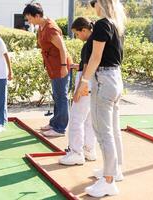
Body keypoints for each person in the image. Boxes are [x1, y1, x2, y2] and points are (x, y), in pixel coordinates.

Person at [73, 0, 126, 197]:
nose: (92, 6)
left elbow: (96, 57)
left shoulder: (103, 24)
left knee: (103, 133)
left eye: (93, 2)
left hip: (103, 80)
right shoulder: (116, 23)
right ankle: (114, 171)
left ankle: (108, 180)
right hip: (115, 79)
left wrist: (85, 82)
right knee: (113, 130)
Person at [23, 3, 71, 137]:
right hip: (52, 66)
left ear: (37, 16)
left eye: (30, 18)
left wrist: (63, 67)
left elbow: (62, 49)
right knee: (56, 95)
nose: (29, 21)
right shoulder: (41, 26)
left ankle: (60, 128)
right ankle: (54, 123)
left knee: (61, 96)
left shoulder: (51, 29)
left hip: (60, 66)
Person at [59, 17, 97, 166]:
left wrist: (80, 88)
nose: (77, 37)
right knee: (89, 119)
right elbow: (87, 64)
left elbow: (87, 67)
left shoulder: (88, 44)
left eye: (77, 33)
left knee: (76, 118)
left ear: (84, 30)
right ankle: (89, 150)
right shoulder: (96, 42)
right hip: (94, 81)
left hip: (86, 81)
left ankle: (76, 152)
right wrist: (77, 66)